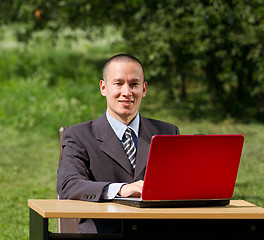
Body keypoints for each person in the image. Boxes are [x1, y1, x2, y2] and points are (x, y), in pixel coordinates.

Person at [57, 54, 180, 233]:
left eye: (134, 84)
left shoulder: (168, 133)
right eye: (118, 83)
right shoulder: (78, 135)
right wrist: (120, 189)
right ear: (103, 87)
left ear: (144, 89)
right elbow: (68, 184)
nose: (127, 92)